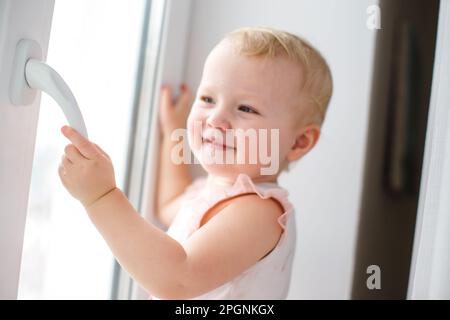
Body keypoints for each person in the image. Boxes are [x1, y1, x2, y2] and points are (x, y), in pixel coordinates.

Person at [58, 27, 333, 299]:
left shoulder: (261, 213)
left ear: (299, 142)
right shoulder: (213, 192)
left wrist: (101, 197)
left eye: (246, 108)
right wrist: (173, 132)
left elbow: (177, 281)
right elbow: (171, 204)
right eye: (208, 99)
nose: (215, 119)